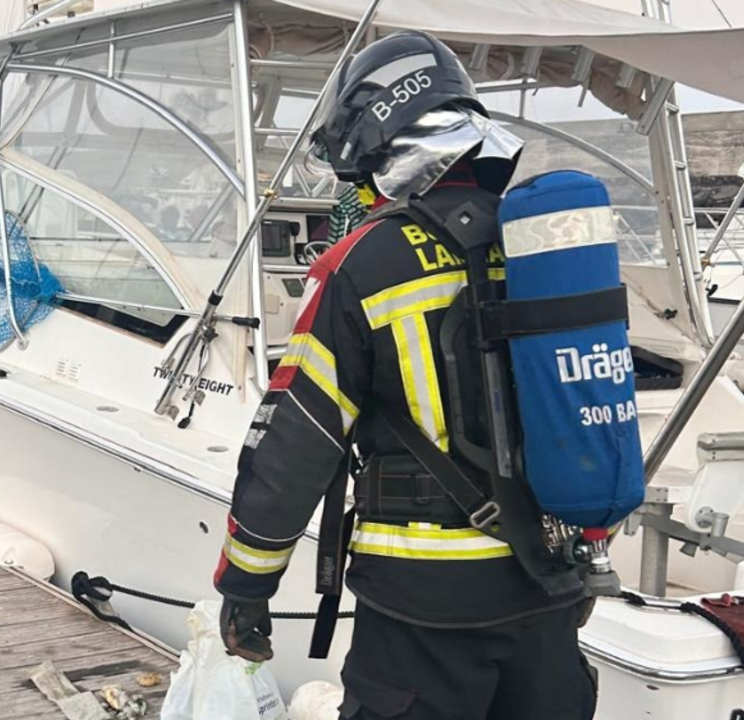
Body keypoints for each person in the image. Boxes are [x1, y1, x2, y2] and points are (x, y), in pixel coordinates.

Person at [213, 31, 596, 720]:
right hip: (547, 585)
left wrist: (247, 583)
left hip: (423, 603)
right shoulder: (543, 247)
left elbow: (296, 439)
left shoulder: (364, 265)